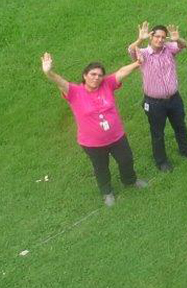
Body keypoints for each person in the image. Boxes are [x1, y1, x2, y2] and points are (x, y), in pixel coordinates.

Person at [40, 52, 147, 206]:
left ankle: (130, 181)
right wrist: (48, 72)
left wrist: (137, 63)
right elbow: (60, 81)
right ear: (85, 75)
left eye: (100, 75)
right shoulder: (74, 92)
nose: (96, 77)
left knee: (126, 160)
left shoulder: (107, 84)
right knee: (101, 168)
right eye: (93, 74)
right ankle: (107, 192)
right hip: (92, 143)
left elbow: (122, 72)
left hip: (117, 137)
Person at [127, 22, 187, 173]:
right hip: (154, 102)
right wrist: (139, 39)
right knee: (157, 133)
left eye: (163, 37)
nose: (160, 40)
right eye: (157, 36)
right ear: (151, 37)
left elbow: (184, 45)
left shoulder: (169, 49)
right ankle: (161, 161)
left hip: (174, 98)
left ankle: (185, 149)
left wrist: (178, 39)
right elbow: (131, 50)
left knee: (180, 126)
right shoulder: (143, 53)